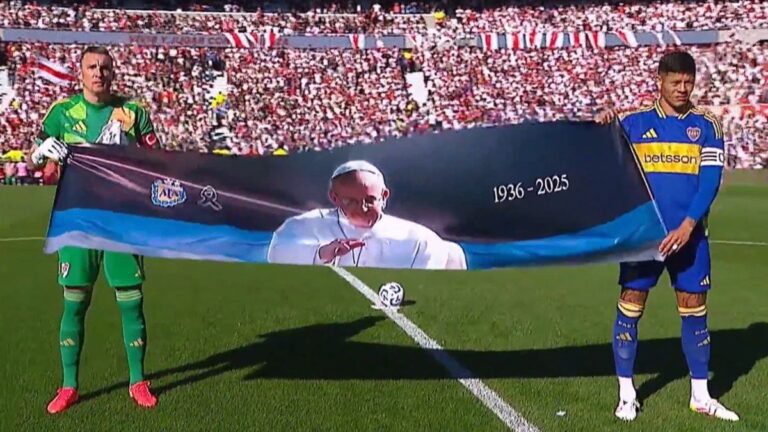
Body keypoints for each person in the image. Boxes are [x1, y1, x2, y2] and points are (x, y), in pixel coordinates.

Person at [595, 51, 738, 422]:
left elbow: (710, 181)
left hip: (690, 238)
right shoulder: (633, 123)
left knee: (695, 310)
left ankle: (701, 396)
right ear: (659, 80)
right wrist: (603, 123)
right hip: (645, 239)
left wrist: (688, 225)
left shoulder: (707, 125)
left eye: (688, 82)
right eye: (675, 82)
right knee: (630, 306)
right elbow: (599, 153)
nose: (682, 88)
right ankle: (627, 395)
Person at [27, 46, 160, 414]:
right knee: (75, 302)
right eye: (91, 67)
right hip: (78, 222)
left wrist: (129, 150)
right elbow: (34, 159)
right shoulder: (62, 112)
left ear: (112, 73)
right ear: (81, 72)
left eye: (104, 67)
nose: (98, 72)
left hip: (121, 222)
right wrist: (41, 153)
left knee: (131, 301)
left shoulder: (132, 113)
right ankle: (69, 385)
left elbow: (160, 164)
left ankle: (138, 381)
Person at [267, 160, 465, 270]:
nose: (362, 209)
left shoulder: (419, 240)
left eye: (370, 200)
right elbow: (278, 254)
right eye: (350, 201)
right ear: (334, 198)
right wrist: (322, 253)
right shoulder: (306, 225)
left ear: (384, 196)